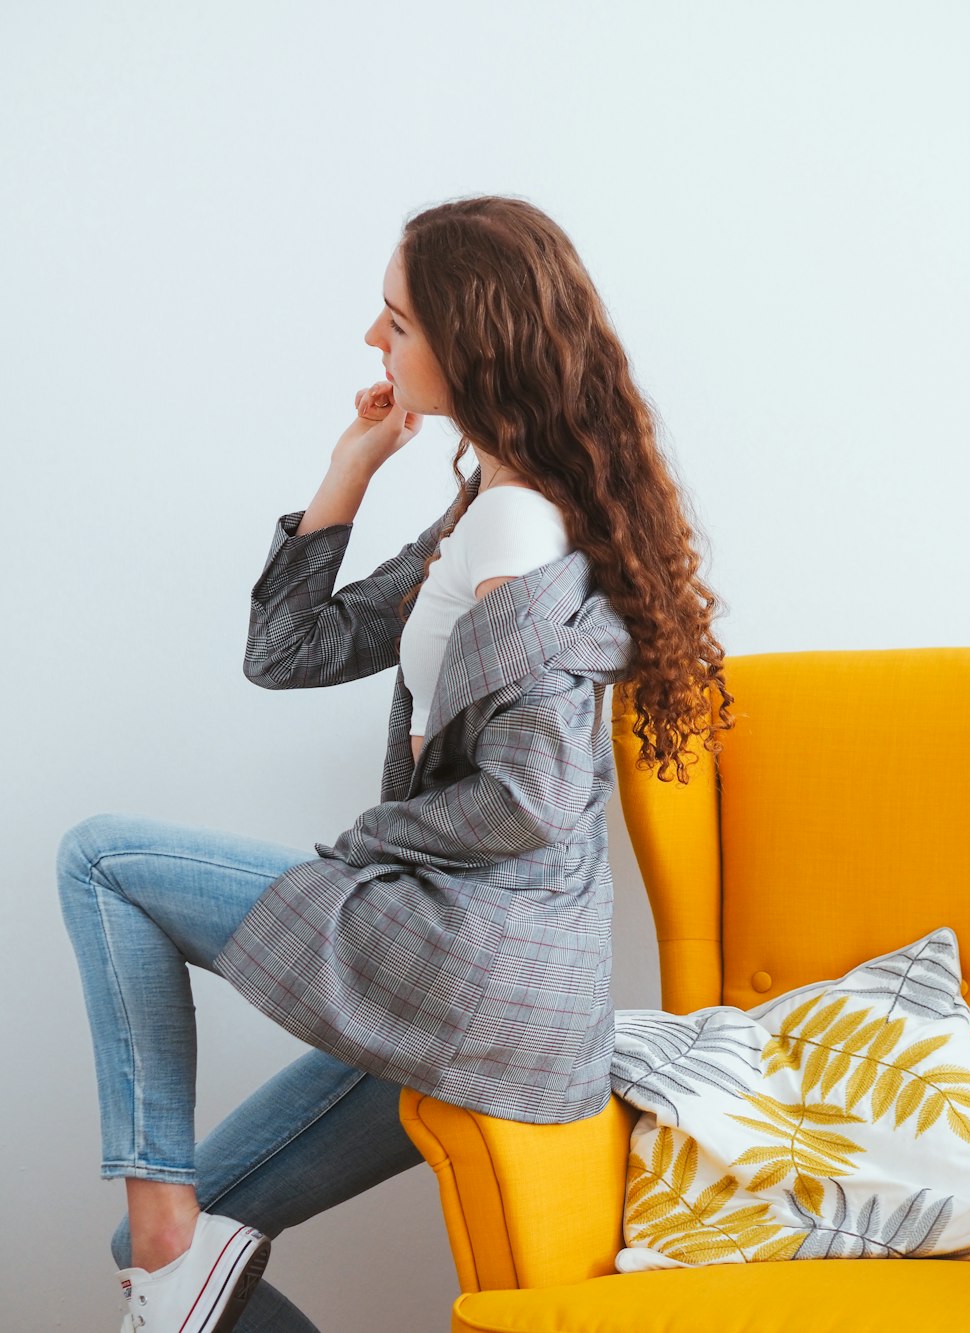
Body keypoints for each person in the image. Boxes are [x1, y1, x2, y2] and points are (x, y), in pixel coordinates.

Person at [58, 195, 732, 1332]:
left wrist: (360, 856)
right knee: (150, 1248)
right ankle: (172, 1243)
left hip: (474, 962)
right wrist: (354, 466)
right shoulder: (489, 508)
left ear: (470, 342)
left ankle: (174, 1237)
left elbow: (531, 797)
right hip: (481, 982)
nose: (376, 341)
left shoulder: (520, 533)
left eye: (396, 321)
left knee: (103, 862)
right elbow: (289, 651)